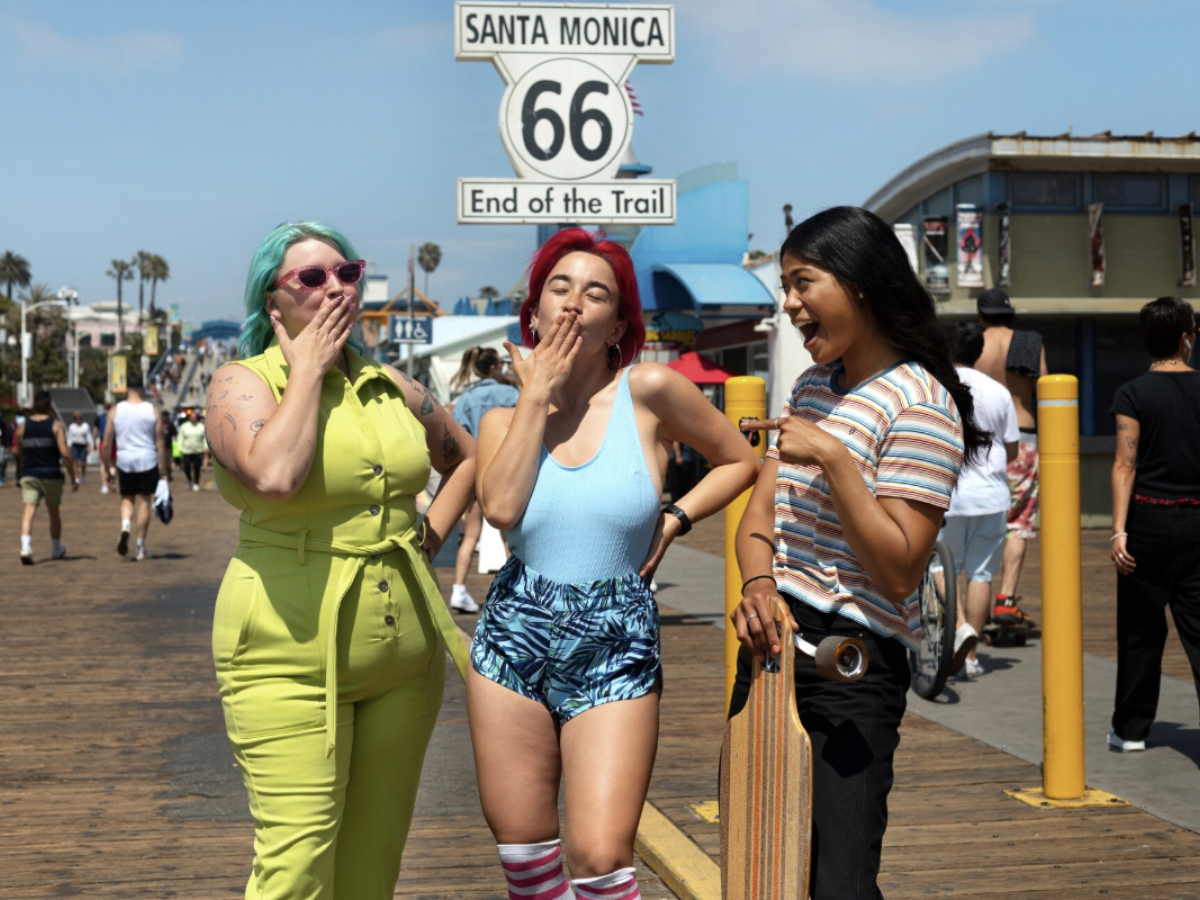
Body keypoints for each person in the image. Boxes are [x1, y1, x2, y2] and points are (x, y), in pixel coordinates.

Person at [469, 228, 759, 900]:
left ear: (618, 325)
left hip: (616, 638)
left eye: (595, 293)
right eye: (558, 288)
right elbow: (503, 510)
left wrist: (675, 518)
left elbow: (741, 461)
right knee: (529, 864)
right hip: (515, 635)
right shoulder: (500, 424)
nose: (573, 304)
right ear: (533, 312)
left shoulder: (649, 391)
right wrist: (537, 395)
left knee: (600, 859)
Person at [206, 221, 476, 900]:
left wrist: (431, 535)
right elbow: (275, 475)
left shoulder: (391, 385)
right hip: (286, 655)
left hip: (405, 660)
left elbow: (468, 459)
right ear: (273, 303)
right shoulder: (241, 386)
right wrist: (306, 370)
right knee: (295, 870)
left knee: (370, 868)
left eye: (347, 273)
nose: (335, 288)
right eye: (311, 277)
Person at [733, 207, 985, 900]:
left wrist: (838, 460)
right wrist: (758, 585)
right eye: (785, 286)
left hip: (853, 663)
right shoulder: (812, 388)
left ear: (861, 282)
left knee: (838, 882)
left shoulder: (923, 403)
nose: (789, 304)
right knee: (761, 863)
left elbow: (900, 570)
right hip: (771, 646)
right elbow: (758, 518)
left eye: (803, 282)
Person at [1108, 296, 1200, 752]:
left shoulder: (1133, 393)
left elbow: (1126, 464)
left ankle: (1131, 730)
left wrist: (1119, 530)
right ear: (1186, 338)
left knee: (1141, 631)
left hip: (1148, 521)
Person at [939, 322, 1019, 680]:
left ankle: (957, 631)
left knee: (942, 567)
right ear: (978, 352)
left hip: (948, 495)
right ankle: (969, 657)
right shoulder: (999, 391)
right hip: (992, 496)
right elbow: (1012, 448)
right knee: (982, 573)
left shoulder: (938, 387)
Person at [974, 288, 1045, 627]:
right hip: (1023, 435)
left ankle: (973, 600)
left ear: (981, 314)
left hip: (979, 440)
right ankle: (1006, 600)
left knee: (979, 519)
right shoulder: (1029, 341)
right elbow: (1046, 387)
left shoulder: (974, 343)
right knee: (1018, 522)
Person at [448, 346, 520, 613]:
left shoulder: (466, 399)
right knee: (509, 537)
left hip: (476, 471)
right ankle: (515, 592)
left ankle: (458, 590)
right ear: (493, 367)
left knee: (470, 536)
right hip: (507, 472)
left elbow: (457, 439)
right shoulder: (512, 394)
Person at [102, 372, 168, 561]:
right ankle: (140, 546)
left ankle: (125, 525)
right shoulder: (151, 410)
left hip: (125, 461)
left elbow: (106, 443)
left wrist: (107, 469)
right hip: (147, 460)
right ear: (142, 388)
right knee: (144, 502)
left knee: (126, 499)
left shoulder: (116, 410)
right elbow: (160, 443)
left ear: (126, 389)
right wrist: (163, 469)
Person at [14, 390, 78, 563]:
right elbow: (65, 453)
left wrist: (20, 469)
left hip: (29, 474)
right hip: (51, 475)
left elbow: (17, 451)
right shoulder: (55, 426)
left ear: (34, 407)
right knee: (53, 511)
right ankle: (56, 548)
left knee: (28, 511)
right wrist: (73, 477)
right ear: (50, 407)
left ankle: (25, 548)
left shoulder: (23, 426)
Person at [177, 409, 207, 492]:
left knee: (197, 468)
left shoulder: (201, 426)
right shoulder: (184, 426)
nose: (194, 419)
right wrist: (180, 448)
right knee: (186, 467)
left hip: (198, 450)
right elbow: (180, 438)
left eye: (195, 417)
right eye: (192, 417)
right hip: (186, 451)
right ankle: (189, 479)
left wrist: (205, 446)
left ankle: (196, 483)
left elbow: (205, 438)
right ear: (189, 418)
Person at [67, 412, 92, 484]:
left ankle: (83, 475)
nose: (78, 420)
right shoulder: (72, 427)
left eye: (79, 418)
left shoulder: (85, 426)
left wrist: (89, 445)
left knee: (83, 463)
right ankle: (76, 477)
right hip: (75, 445)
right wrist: (69, 448)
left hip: (83, 446)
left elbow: (88, 436)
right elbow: (70, 438)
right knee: (74, 462)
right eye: (76, 419)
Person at [95, 403, 112, 494]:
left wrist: (94, 441)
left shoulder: (99, 417)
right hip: (114, 442)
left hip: (102, 441)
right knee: (113, 463)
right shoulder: (114, 417)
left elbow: (95, 430)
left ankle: (104, 484)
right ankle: (111, 481)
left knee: (102, 464)